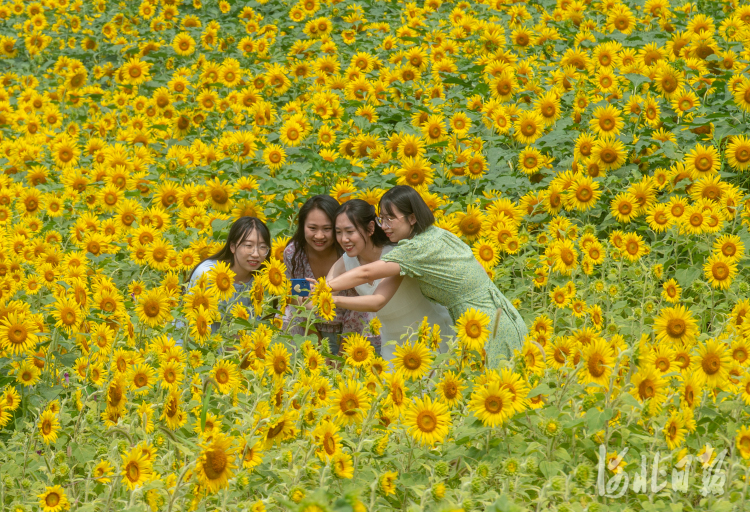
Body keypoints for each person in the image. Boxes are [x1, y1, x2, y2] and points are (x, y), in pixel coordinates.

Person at [322, 186, 528, 368]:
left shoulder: (415, 248)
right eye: (381, 218)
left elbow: (367, 274)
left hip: (482, 324)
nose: (384, 225)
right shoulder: (437, 234)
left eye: (390, 218)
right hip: (495, 313)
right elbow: (479, 270)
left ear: (412, 218)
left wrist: (323, 292)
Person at [327, 199, 453, 362]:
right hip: (392, 343)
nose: (344, 239)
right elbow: (322, 292)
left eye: (350, 232)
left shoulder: (397, 254)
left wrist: (332, 299)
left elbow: (377, 301)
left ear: (371, 228)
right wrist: (305, 296)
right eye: (338, 232)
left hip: (430, 335)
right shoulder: (345, 261)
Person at [283, 195, 377, 355]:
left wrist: (341, 357)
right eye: (312, 228)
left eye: (327, 229)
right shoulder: (294, 254)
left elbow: (358, 311)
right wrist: (318, 349)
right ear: (302, 226)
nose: (319, 236)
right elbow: (300, 302)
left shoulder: (350, 254)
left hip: (353, 333)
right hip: (309, 329)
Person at [177, 216, 272, 345]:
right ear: (232, 247)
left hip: (235, 356)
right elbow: (189, 322)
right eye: (248, 245)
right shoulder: (208, 275)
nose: (256, 254)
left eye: (262, 247)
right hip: (196, 349)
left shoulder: (261, 282)